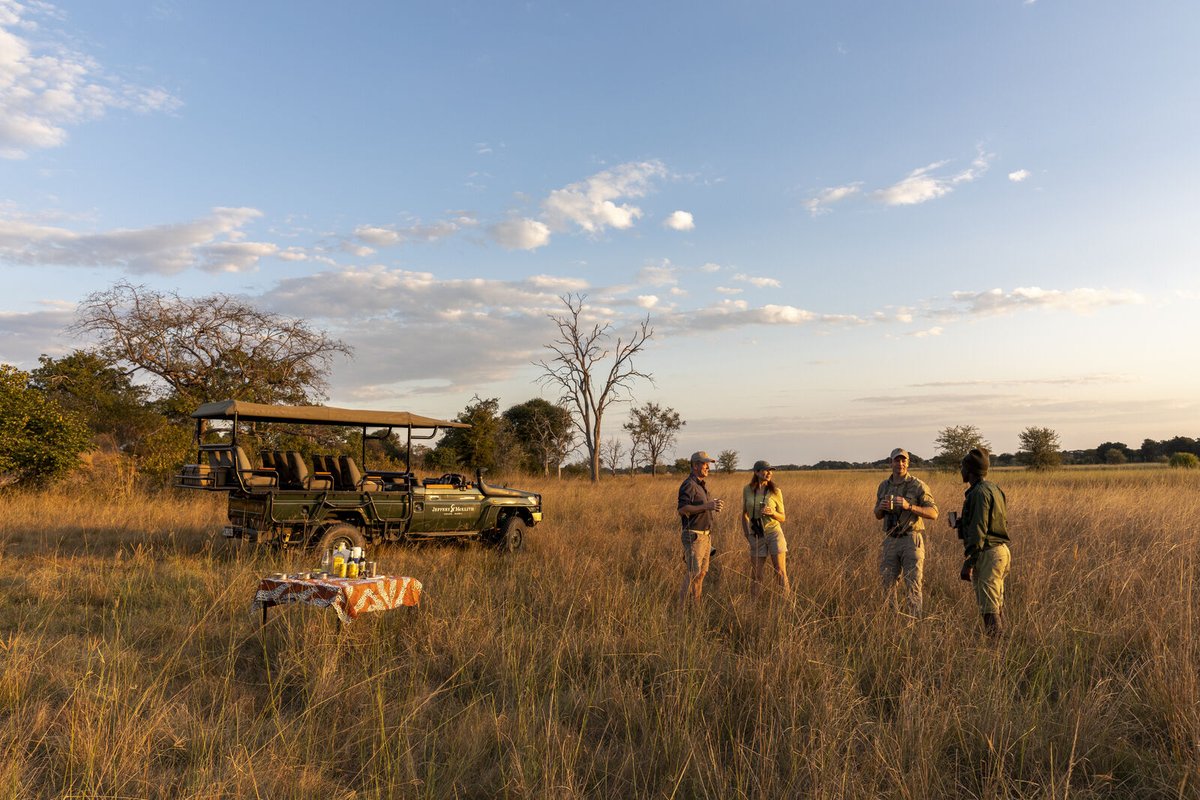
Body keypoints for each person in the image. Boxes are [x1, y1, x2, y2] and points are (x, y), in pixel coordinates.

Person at [873, 447, 939, 617]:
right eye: (897, 460)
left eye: (903, 460)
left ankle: (914, 624)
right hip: (890, 540)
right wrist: (880, 508)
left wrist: (909, 506)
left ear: (908, 463)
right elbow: (877, 515)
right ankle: (891, 623)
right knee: (887, 584)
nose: (900, 464)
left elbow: (934, 513)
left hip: (911, 539)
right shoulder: (884, 486)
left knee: (913, 584)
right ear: (891, 462)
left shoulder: (917, 485)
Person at [955, 447, 1010, 637]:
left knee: (989, 610)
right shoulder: (994, 489)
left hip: (988, 553)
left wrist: (968, 562)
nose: (961, 471)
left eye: (963, 467)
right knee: (995, 605)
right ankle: (1002, 649)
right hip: (1000, 551)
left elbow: (979, 531)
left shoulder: (978, 493)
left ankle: (996, 656)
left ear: (970, 470)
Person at [678, 450, 724, 606]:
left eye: (708, 464)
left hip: (705, 536)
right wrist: (707, 506)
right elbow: (682, 509)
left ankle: (696, 608)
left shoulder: (701, 485)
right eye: (705, 464)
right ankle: (680, 611)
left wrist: (710, 507)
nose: (708, 467)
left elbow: (701, 507)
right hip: (694, 535)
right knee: (693, 573)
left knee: (701, 573)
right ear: (695, 465)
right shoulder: (689, 484)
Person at [741, 460, 789, 598]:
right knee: (756, 574)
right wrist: (747, 535)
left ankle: (786, 603)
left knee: (780, 571)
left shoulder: (776, 491)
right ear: (756, 472)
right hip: (756, 534)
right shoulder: (747, 490)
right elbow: (744, 514)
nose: (769, 473)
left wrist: (772, 513)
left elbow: (783, 517)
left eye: (770, 470)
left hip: (774, 532)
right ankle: (754, 605)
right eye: (765, 470)